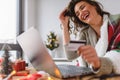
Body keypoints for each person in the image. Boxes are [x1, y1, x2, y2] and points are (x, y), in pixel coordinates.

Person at [59, 0, 120, 76]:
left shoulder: (117, 22)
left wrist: (98, 63)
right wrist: (65, 25)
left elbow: (117, 58)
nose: (81, 13)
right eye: (77, 14)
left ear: (94, 5)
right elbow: (70, 55)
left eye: (82, 7)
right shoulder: (85, 33)